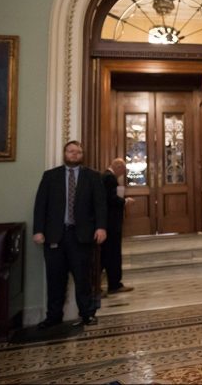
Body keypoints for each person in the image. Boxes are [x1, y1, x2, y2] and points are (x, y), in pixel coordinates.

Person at [32, 140, 107, 328]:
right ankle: (53, 316)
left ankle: (87, 314)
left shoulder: (92, 177)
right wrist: (38, 230)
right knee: (55, 278)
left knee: (83, 278)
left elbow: (100, 205)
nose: (74, 155)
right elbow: (41, 205)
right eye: (71, 151)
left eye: (78, 152)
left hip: (81, 235)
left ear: (82, 155)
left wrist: (101, 227)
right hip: (54, 235)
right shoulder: (50, 176)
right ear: (64, 153)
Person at [101, 158, 134, 295]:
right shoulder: (110, 178)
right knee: (112, 254)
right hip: (111, 223)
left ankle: (113, 284)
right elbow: (111, 199)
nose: (123, 173)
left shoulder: (106, 176)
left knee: (108, 255)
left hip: (109, 223)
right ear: (118, 167)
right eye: (123, 170)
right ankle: (114, 285)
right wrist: (125, 201)